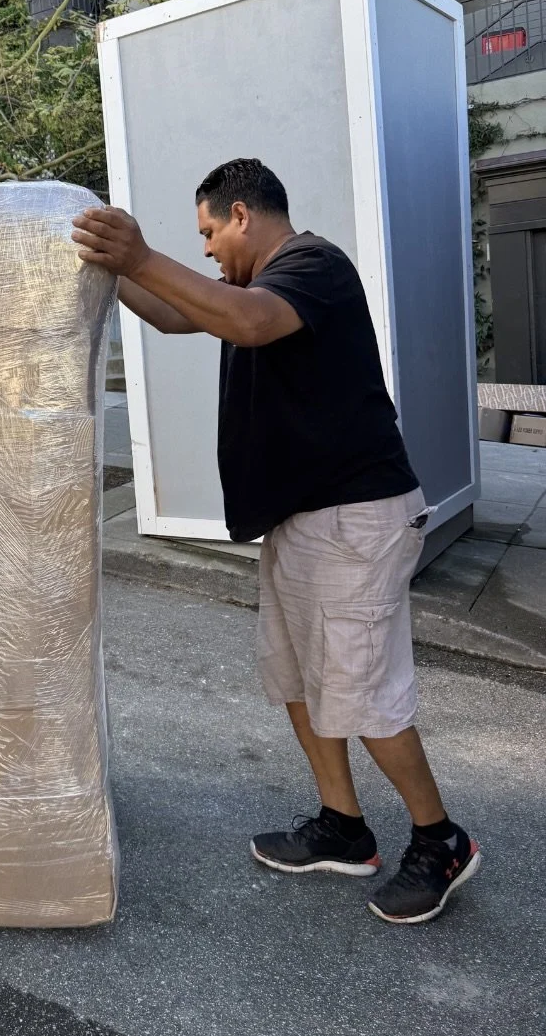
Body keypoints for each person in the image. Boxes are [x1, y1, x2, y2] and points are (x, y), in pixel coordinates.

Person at [72, 157, 481, 925]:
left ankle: (440, 838)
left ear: (241, 214)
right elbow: (171, 312)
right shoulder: (246, 288)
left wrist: (140, 254)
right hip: (301, 518)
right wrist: (103, 265)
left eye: (207, 234)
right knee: (295, 679)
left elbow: (251, 322)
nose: (204, 252)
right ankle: (343, 827)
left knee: (365, 694)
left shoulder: (312, 266)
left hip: (356, 518)